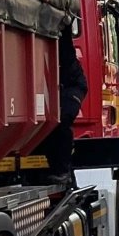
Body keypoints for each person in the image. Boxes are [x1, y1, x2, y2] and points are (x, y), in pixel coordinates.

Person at [37, 26, 88, 186]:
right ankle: (54, 168)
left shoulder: (63, 44)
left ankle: (62, 171)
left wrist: (65, 22)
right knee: (46, 124)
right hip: (56, 87)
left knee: (61, 120)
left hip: (74, 86)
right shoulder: (40, 45)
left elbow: (65, 35)